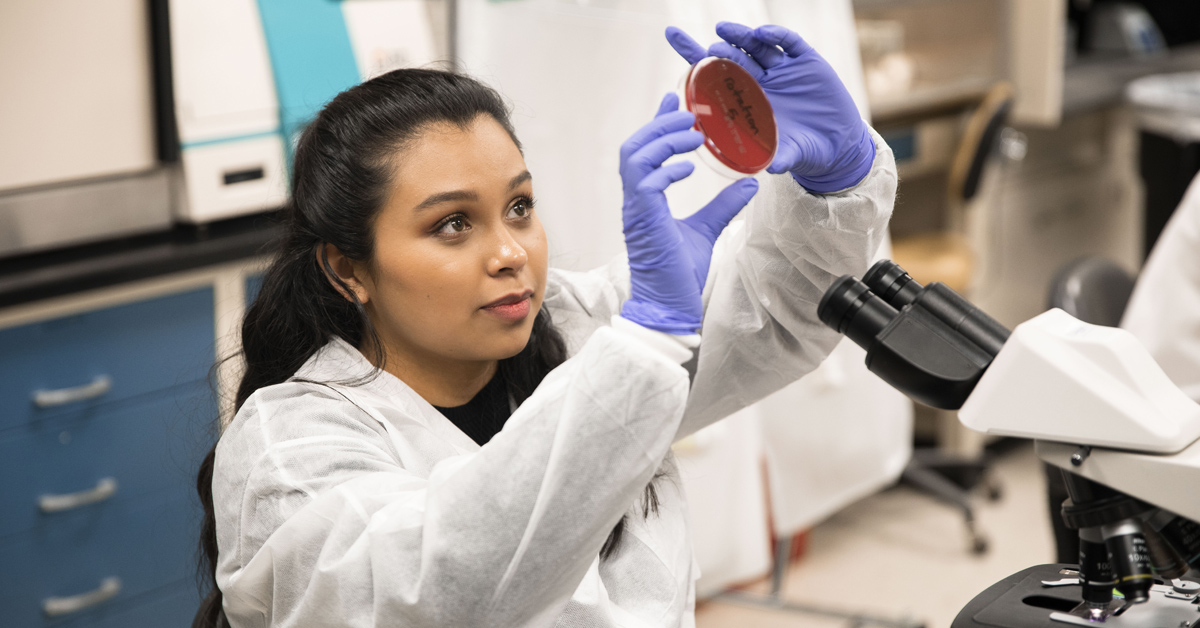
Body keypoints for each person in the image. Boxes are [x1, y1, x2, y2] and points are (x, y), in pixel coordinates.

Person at [194, 22, 897, 627]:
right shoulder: (291, 452)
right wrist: (648, 340)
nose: (509, 253)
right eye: (453, 224)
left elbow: (773, 314)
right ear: (349, 269)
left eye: (520, 208)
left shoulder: (578, 330)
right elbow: (434, 595)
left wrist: (834, 180)